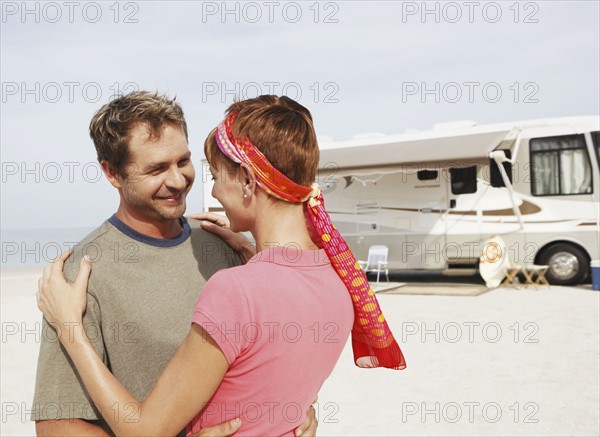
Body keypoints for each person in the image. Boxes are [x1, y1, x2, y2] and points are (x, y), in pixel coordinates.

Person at [37, 95, 406, 436]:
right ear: (112, 173)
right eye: (156, 168)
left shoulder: (225, 249)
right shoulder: (80, 276)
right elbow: (56, 428)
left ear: (247, 180)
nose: (179, 179)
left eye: (183, 161)